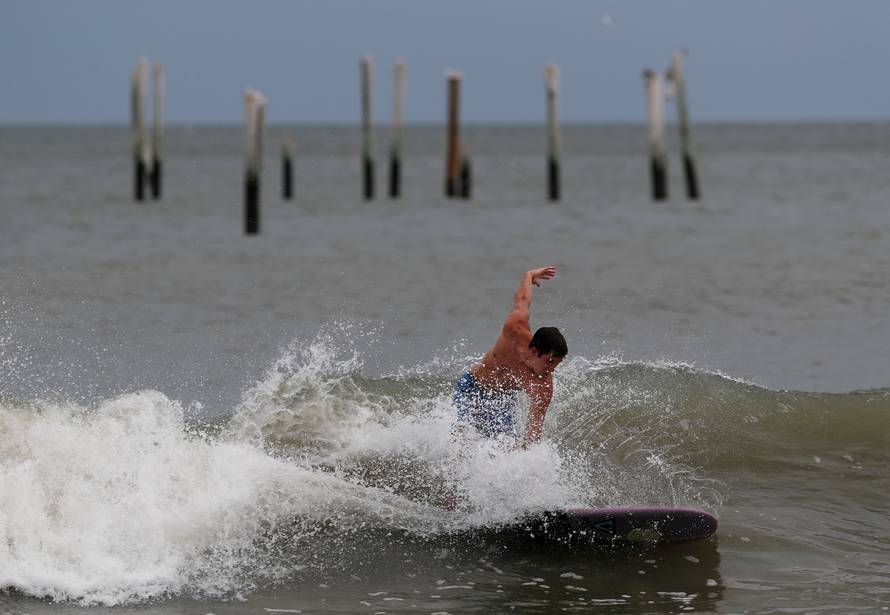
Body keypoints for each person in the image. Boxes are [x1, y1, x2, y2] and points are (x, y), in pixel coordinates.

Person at [452, 266, 567, 447]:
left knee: (506, 447)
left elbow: (533, 433)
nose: (551, 369)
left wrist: (524, 453)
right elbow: (522, 300)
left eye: (557, 364)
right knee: (461, 440)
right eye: (550, 361)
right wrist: (529, 276)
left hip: (502, 402)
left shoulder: (543, 387)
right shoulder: (515, 327)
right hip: (472, 388)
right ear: (535, 351)